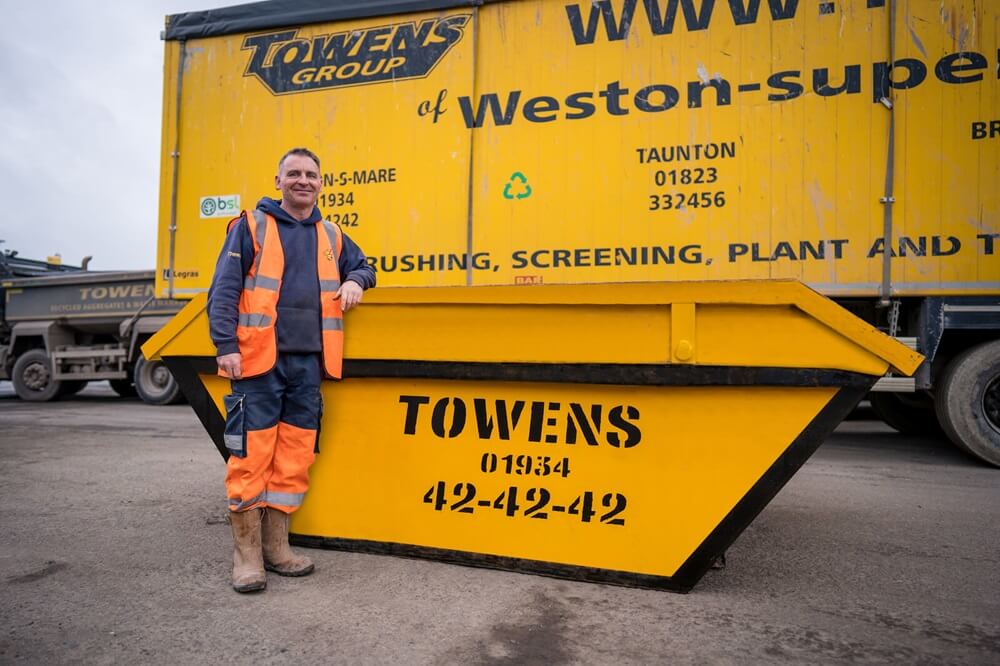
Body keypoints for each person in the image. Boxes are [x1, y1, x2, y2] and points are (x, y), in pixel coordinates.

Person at [207, 147, 376, 593]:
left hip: (308, 365)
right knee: (250, 457)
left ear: (321, 184)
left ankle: (275, 548)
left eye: (312, 175)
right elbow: (223, 289)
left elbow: (364, 265)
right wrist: (225, 344)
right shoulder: (252, 226)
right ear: (278, 180)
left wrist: (356, 280)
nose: (304, 181)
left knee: (294, 458)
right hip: (259, 362)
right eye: (295, 174)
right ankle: (246, 557)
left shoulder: (333, 235)